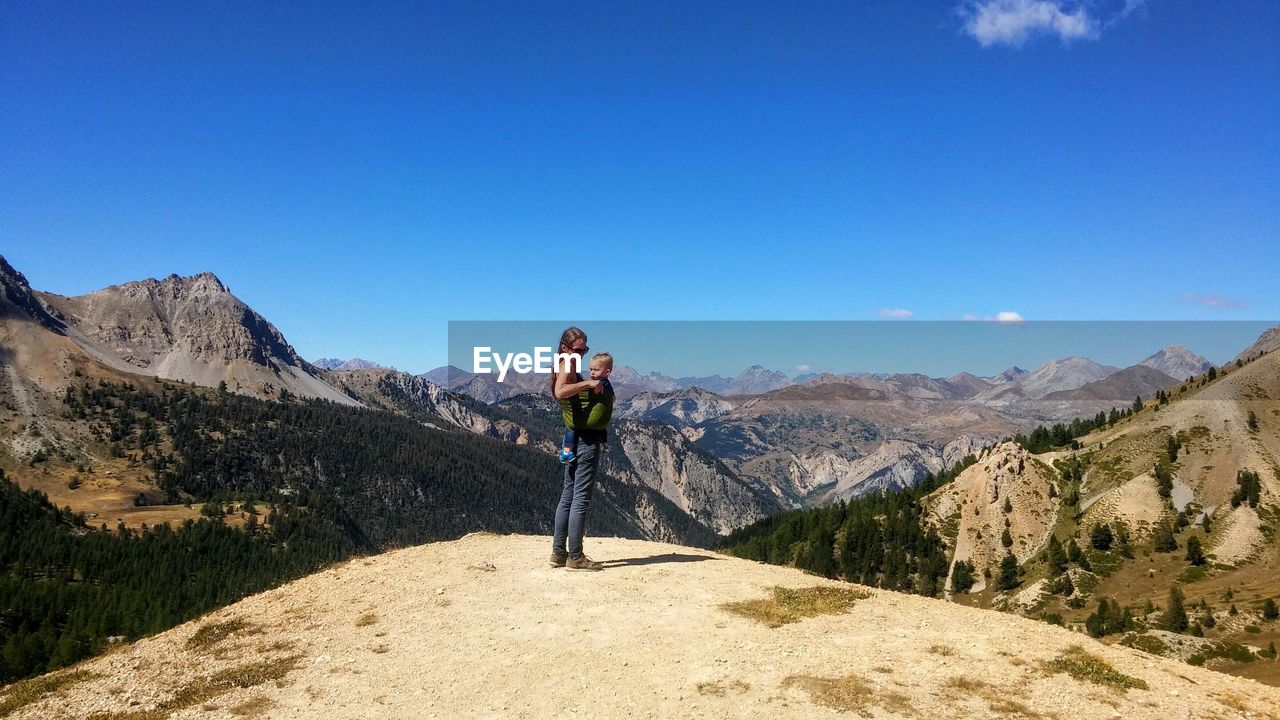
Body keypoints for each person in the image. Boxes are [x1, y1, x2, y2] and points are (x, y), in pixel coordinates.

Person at [549, 327, 613, 571]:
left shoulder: (565, 363)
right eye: (579, 349)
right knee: (580, 498)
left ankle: (558, 553)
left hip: (575, 438)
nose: (583, 353)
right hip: (585, 440)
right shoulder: (567, 364)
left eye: (585, 349)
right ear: (566, 348)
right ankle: (575, 556)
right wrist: (588, 384)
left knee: (568, 495)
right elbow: (560, 391)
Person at [558, 352, 614, 463]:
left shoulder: (602, 383)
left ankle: (567, 450)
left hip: (587, 433)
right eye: (591, 369)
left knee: (571, 428)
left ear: (607, 372)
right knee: (571, 428)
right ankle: (568, 451)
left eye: (596, 370)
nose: (592, 372)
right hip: (589, 429)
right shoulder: (596, 382)